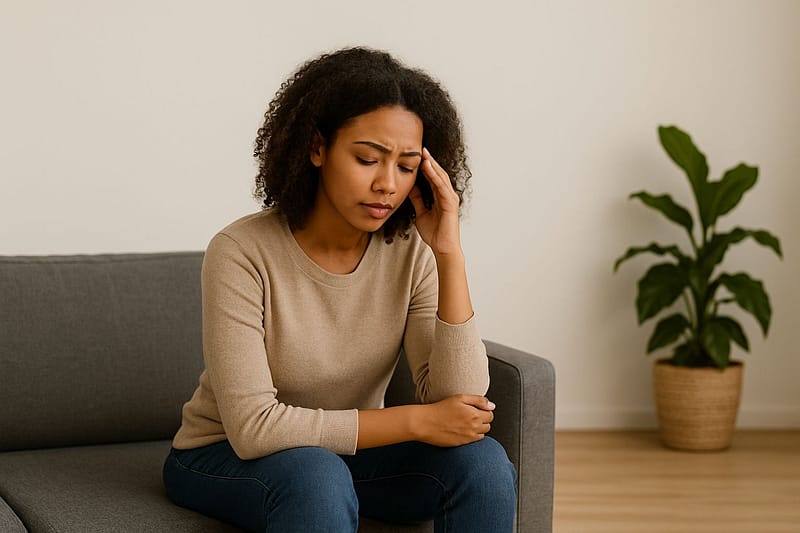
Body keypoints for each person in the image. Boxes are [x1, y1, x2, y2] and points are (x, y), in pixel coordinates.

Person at [162, 46, 517, 533]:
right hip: (224, 456)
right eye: (368, 159)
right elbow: (253, 428)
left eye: (406, 166)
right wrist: (415, 422)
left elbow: (459, 401)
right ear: (317, 148)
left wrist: (449, 253)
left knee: (482, 463)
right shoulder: (240, 251)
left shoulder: (413, 252)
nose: (387, 184)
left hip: (348, 456)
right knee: (317, 474)